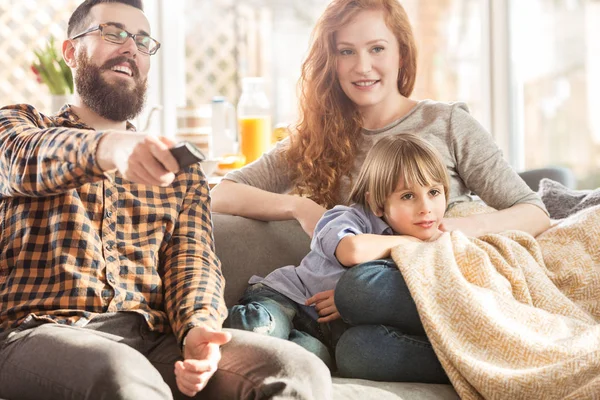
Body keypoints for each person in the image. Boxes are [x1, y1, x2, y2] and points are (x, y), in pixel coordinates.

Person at [0, 1, 331, 399]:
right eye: (113, 33)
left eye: (142, 40)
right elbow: (21, 159)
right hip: (37, 334)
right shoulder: (20, 127)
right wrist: (111, 148)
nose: (130, 48)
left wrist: (197, 328)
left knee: (296, 370)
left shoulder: (180, 171)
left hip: (150, 338)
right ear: (71, 52)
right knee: (119, 371)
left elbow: (192, 260)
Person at [211, 0, 550, 382]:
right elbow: (221, 194)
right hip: (373, 306)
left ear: (401, 54)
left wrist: (446, 234)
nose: (362, 66)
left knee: (358, 291)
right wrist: (299, 206)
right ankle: (483, 365)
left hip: (438, 285)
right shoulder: (315, 138)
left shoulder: (447, 123)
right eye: (346, 52)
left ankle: (496, 353)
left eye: (377, 48)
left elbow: (534, 212)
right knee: (358, 348)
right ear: (330, 61)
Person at [225, 134, 449, 379]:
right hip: (288, 298)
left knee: (309, 362)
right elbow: (351, 251)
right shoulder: (346, 219)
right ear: (377, 203)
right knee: (261, 327)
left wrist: (353, 307)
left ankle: (455, 364)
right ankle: (216, 328)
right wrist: (410, 242)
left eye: (434, 192)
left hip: (323, 334)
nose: (426, 207)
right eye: (408, 196)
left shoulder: (437, 249)